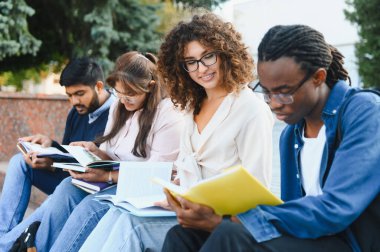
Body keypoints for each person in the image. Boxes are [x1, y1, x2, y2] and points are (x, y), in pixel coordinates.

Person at [162, 24, 380, 252]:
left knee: (230, 234)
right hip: (311, 238)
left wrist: (233, 221)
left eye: (284, 91)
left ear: (318, 77)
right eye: (266, 91)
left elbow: (336, 208)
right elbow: (290, 208)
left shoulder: (364, 112)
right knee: (184, 235)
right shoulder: (291, 134)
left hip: (349, 243)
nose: (274, 104)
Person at [79, 12, 274, 252]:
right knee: (118, 213)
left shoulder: (250, 108)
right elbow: (184, 171)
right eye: (191, 62)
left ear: (225, 53)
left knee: (132, 225)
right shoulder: (193, 106)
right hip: (185, 210)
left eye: (208, 56)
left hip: (222, 224)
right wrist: (171, 197)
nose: (201, 69)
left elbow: (257, 188)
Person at [0, 51, 184, 251]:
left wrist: (109, 176)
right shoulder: (119, 108)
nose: (123, 100)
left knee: (89, 206)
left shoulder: (168, 114)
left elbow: (155, 175)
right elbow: (109, 154)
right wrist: (94, 151)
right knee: (66, 188)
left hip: (137, 189)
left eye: (129, 94)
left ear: (150, 87)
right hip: (106, 180)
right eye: (119, 93)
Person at [0, 57, 114, 236]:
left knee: (61, 192)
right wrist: (49, 149)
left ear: (99, 86)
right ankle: (3, 234)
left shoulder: (117, 113)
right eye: (69, 95)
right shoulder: (77, 112)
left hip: (91, 190)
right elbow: (68, 153)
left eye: (80, 93)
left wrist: (55, 163)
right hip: (70, 179)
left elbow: (106, 165)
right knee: (18, 162)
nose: (74, 101)